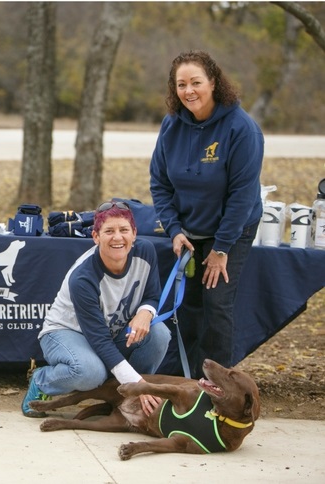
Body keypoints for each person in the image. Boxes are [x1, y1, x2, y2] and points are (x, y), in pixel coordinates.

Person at [149, 50, 264, 378]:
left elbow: (242, 197)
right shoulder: (171, 126)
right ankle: (185, 382)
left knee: (216, 305)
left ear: (213, 83)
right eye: (181, 84)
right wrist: (173, 229)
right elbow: (159, 182)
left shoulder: (242, 129)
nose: (189, 91)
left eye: (196, 82)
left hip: (232, 228)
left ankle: (215, 388)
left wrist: (221, 249)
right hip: (187, 228)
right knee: (187, 305)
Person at [22, 201, 171, 418]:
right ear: (95, 237)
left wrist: (144, 312)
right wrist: (142, 386)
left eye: (124, 230)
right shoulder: (82, 278)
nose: (117, 237)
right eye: (109, 231)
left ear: (134, 233)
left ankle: (126, 395)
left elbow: (152, 295)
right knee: (91, 373)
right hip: (65, 332)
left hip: (110, 332)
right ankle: (42, 381)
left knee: (159, 334)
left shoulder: (146, 251)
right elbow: (100, 341)